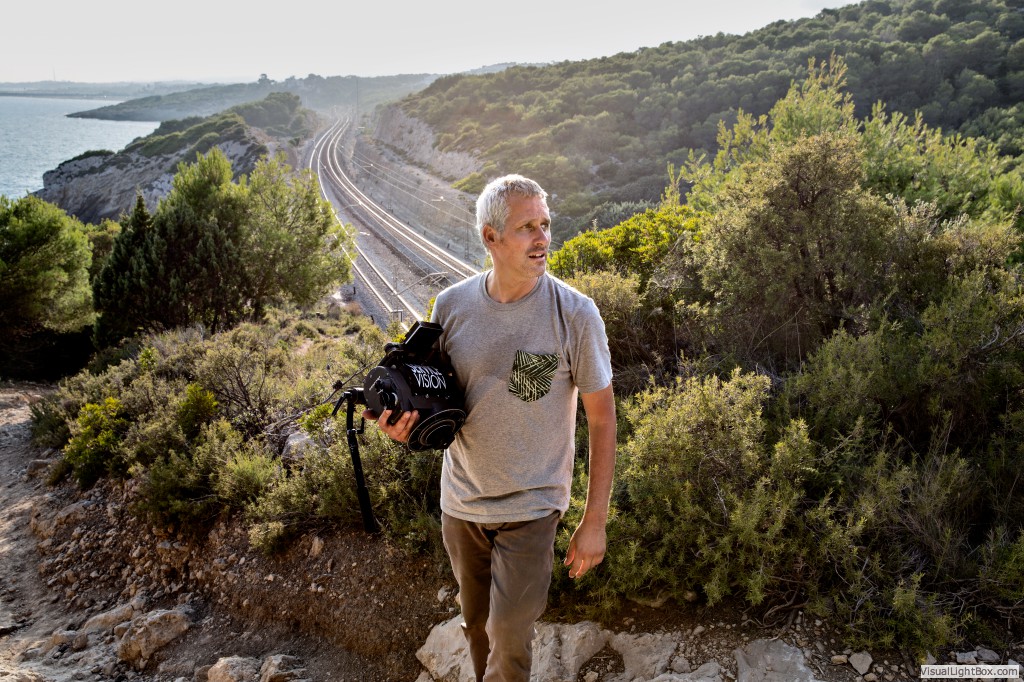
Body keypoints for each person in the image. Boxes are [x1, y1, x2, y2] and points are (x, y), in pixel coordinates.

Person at [366, 174, 616, 681]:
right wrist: (403, 426)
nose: (543, 238)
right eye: (527, 227)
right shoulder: (452, 306)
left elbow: (602, 418)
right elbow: (437, 402)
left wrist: (594, 522)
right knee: (477, 627)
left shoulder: (575, 315)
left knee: (509, 633)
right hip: (462, 503)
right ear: (490, 238)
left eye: (546, 224)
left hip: (533, 504)